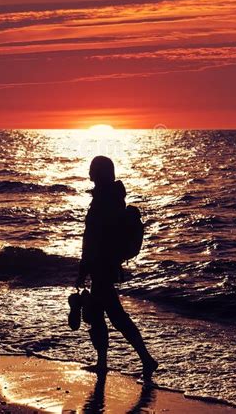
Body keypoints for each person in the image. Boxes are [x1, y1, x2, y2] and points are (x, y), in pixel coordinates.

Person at [75, 155, 158, 378]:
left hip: (102, 265)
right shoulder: (109, 197)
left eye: (93, 168)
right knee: (100, 315)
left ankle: (146, 359)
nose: (89, 172)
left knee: (114, 316)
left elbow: (94, 237)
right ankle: (105, 362)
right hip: (102, 265)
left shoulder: (106, 200)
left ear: (101, 172)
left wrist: (85, 268)